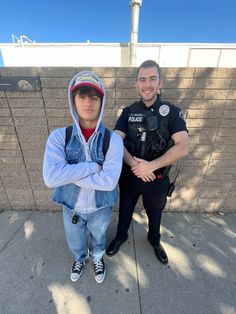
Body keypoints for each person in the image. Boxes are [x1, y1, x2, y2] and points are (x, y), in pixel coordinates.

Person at [43, 70, 123, 283]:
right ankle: (79, 258)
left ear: (101, 101)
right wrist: (92, 167)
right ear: (73, 100)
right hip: (71, 206)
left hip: (101, 207)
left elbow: (109, 182)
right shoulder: (60, 137)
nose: (88, 102)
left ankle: (97, 258)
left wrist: (67, 173)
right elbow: (51, 178)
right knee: (75, 240)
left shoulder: (113, 140)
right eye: (82, 96)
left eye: (94, 97)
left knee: (99, 238)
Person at [106, 60, 189, 264]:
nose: (147, 84)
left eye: (152, 79)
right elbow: (116, 141)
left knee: (155, 216)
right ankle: (120, 237)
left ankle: (154, 241)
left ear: (160, 82)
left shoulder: (171, 112)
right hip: (130, 177)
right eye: (142, 79)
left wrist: (150, 166)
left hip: (157, 179)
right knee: (124, 212)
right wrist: (136, 166)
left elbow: (183, 146)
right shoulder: (128, 111)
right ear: (136, 84)